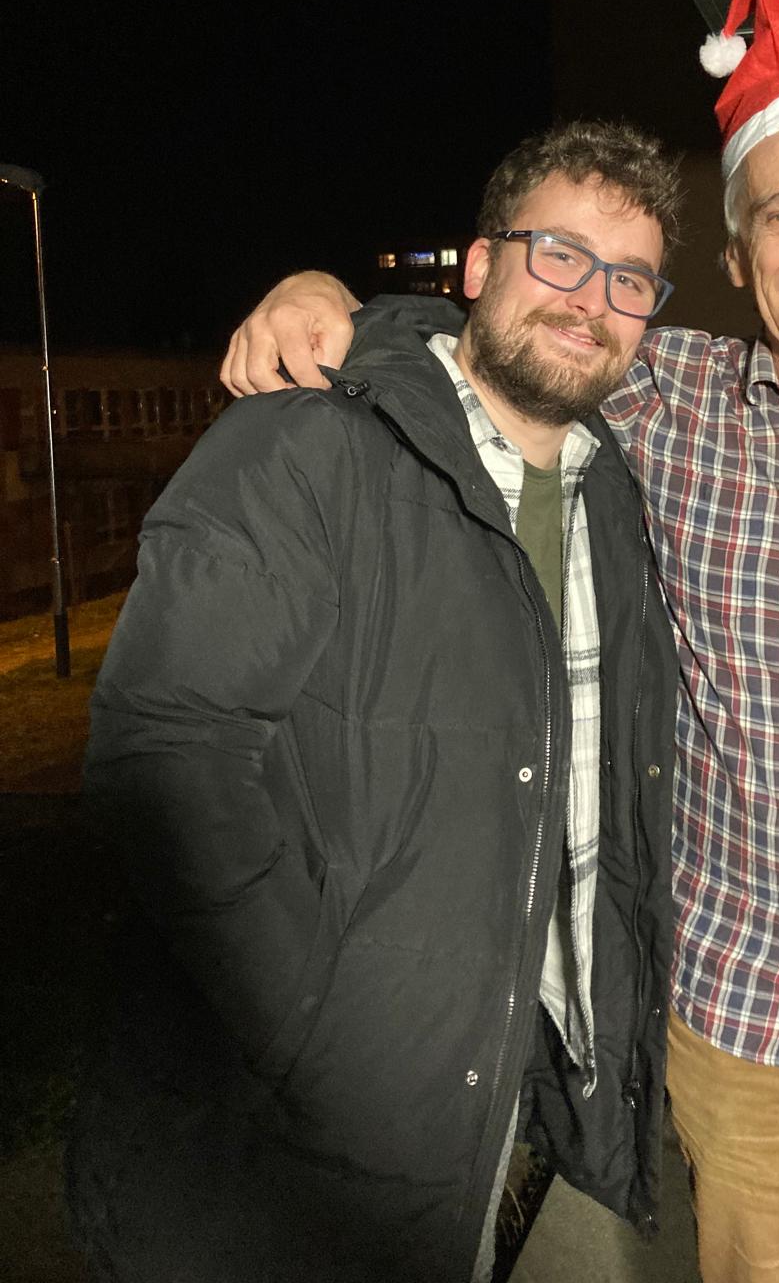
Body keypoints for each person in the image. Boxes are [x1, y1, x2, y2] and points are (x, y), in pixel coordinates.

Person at [222, 0, 779, 1283]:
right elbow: (518, 331)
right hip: (751, 1014)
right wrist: (330, 301)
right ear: (739, 257)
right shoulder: (669, 399)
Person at [68, 120, 683, 1283]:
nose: (589, 299)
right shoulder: (307, 446)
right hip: (277, 1142)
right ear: (480, 264)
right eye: (559, 253)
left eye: (629, 278)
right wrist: (309, 1021)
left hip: (471, 1103)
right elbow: (167, 750)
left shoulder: (611, 495)